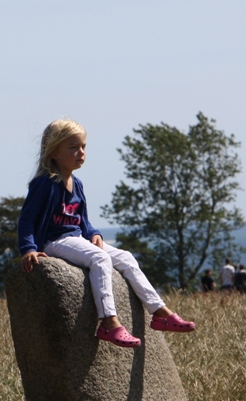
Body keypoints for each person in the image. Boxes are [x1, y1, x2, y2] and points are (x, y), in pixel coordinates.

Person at [18, 119, 196, 348]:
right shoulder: (44, 184)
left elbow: (82, 220)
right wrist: (29, 249)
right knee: (100, 258)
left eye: (83, 147)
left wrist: (94, 233)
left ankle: (159, 311)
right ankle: (109, 322)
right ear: (53, 152)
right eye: (73, 147)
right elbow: (26, 220)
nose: (81, 152)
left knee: (126, 257)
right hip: (55, 241)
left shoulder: (77, 184)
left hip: (77, 238)